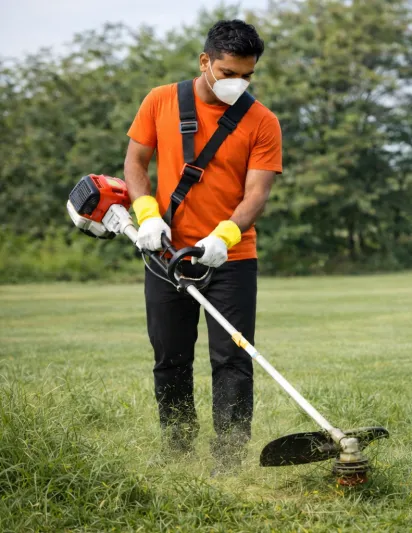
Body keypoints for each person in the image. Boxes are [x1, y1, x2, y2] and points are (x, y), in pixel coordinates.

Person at [123, 19, 282, 472]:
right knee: (169, 356)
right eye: (229, 72)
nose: (239, 83)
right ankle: (177, 450)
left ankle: (229, 459)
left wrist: (224, 235)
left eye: (247, 75)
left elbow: (257, 194)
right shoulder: (160, 100)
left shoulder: (262, 121)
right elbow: (135, 162)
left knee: (233, 359)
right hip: (165, 253)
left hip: (231, 257)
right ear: (205, 62)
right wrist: (147, 214)